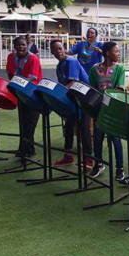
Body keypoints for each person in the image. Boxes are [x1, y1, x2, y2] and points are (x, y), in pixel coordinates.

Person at [49, 39, 93, 168]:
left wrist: (56, 94)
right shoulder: (59, 66)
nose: (58, 52)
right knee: (68, 127)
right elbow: (64, 85)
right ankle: (68, 156)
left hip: (85, 98)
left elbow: (72, 82)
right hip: (74, 98)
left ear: (64, 48)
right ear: (52, 52)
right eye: (55, 50)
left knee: (83, 128)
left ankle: (89, 160)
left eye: (60, 48)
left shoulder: (71, 61)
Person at [88, 41, 127, 182]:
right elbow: (92, 89)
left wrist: (106, 92)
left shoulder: (120, 69)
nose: (118, 53)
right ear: (107, 53)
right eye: (116, 51)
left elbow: (121, 88)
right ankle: (98, 164)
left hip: (113, 110)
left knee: (115, 139)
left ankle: (119, 168)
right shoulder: (94, 69)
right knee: (97, 138)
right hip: (99, 109)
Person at [6, 36, 42, 157]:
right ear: (14, 46)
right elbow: (10, 73)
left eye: (23, 45)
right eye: (18, 45)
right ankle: (24, 148)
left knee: (30, 123)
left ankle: (29, 149)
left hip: (33, 94)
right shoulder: (11, 57)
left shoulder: (33, 58)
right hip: (20, 93)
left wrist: (18, 84)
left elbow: (32, 77)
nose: (21, 47)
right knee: (23, 122)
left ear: (27, 45)